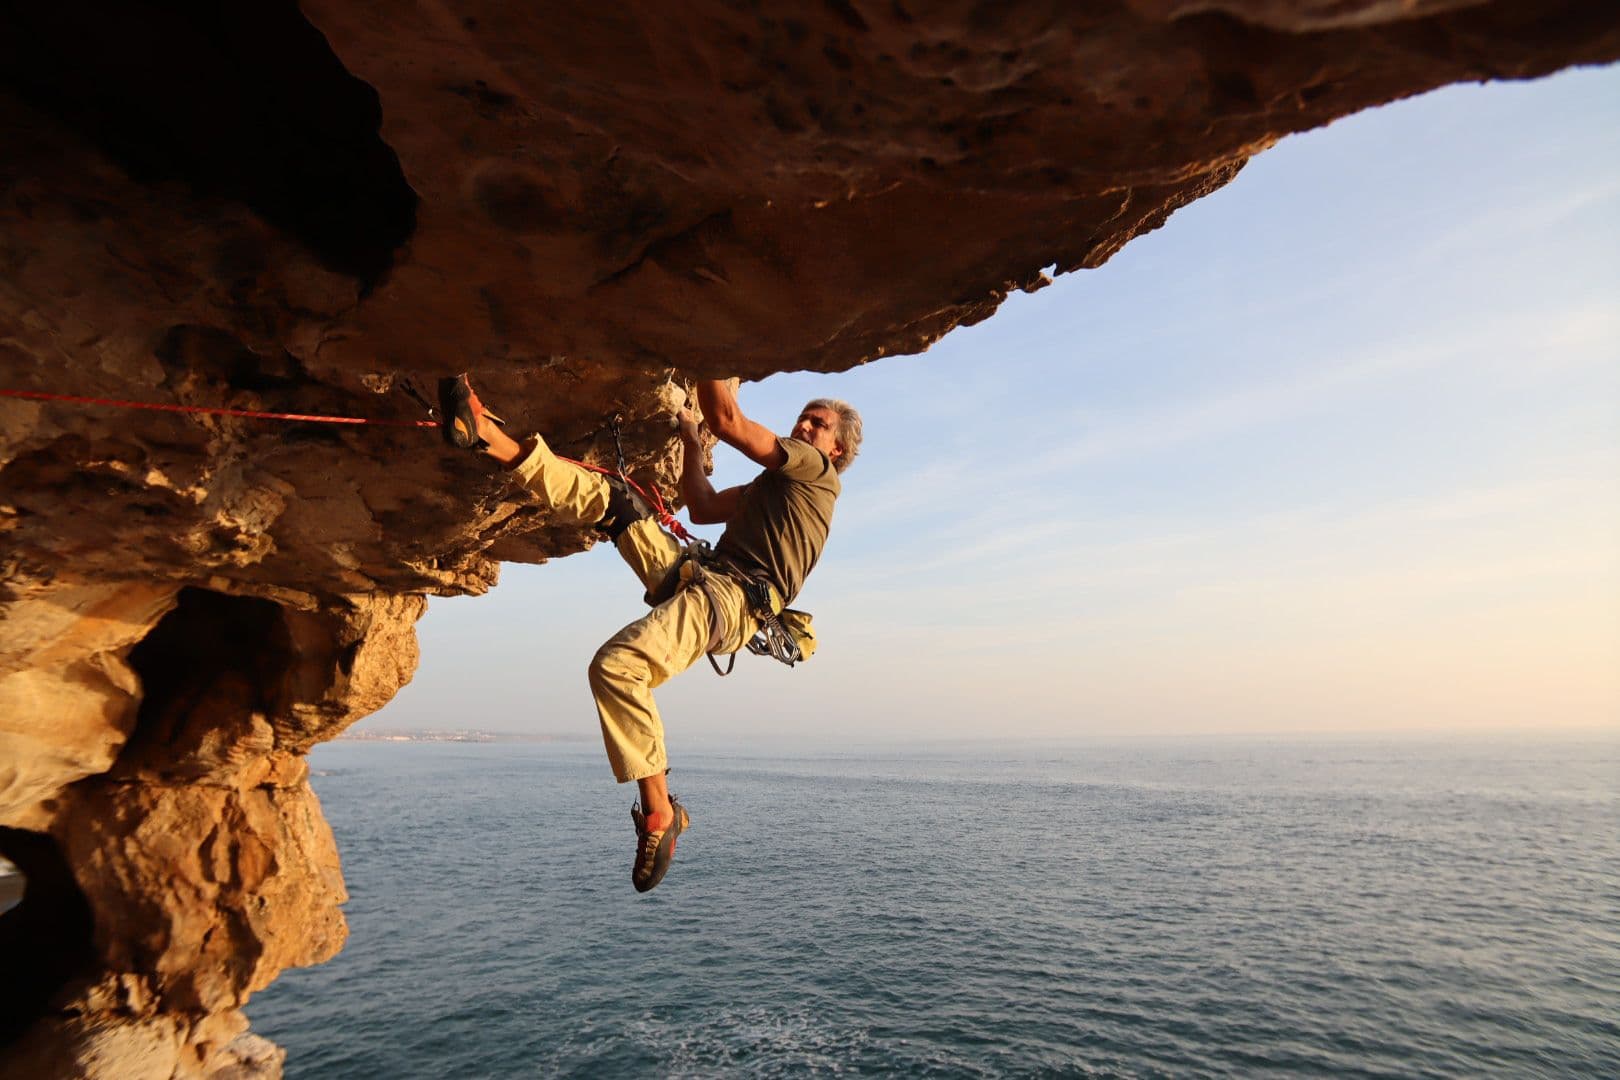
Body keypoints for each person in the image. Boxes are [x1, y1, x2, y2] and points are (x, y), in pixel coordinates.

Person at [440, 375, 861, 892]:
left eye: (818, 424)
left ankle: (661, 813)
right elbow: (702, 507)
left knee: (617, 667)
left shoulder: (815, 470)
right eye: (804, 416)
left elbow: (728, 421)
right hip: (706, 576)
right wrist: (688, 439)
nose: (803, 424)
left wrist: (709, 355)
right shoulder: (771, 488)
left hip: (729, 602)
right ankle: (486, 434)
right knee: (614, 502)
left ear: (836, 448)